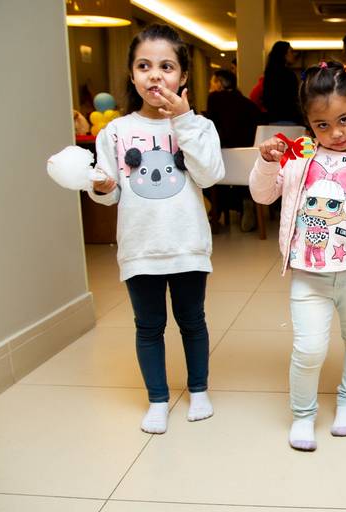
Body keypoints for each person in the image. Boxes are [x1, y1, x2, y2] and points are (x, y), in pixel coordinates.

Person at [249, 61, 346, 452]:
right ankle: (303, 414)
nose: (335, 133)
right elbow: (261, 195)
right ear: (308, 122)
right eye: (322, 125)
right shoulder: (299, 156)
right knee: (308, 347)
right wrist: (268, 162)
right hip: (309, 273)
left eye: (345, 120)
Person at [88, 24, 224, 434]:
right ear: (131, 75)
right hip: (140, 248)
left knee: (192, 320)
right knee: (148, 326)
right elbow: (108, 192)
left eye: (166, 66)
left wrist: (183, 122)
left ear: (183, 76)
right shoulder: (113, 132)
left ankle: (198, 389)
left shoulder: (200, 126)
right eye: (144, 65)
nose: (155, 75)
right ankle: (158, 398)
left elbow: (211, 173)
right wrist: (100, 188)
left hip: (187, 244)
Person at [205, 69, 262, 231]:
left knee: (202, 174)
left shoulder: (215, 98)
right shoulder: (249, 103)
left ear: (219, 83)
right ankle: (245, 199)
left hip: (226, 159)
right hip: (251, 160)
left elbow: (213, 130)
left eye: (212, 82)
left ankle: (225, 208)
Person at [262, 41, 302, 125]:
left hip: (273, 119)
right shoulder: (288, 75)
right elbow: (294, 98)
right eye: (290, 51)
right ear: (284, 54)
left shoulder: (269, 73)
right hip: (289, 118)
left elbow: (266, 99)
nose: (293, 55)